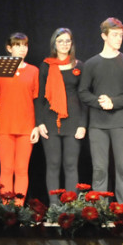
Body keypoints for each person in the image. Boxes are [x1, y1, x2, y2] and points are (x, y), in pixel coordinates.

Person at [80, 18, 123, 207]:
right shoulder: (91, 63)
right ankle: (99, 211)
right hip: (98, 125)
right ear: (104, 36)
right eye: (114, 35)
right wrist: (99, 102)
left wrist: (114, 102)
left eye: (121, 35)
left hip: (121, 123)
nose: (119, 39)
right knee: (100, 170)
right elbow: (83, 92)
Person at [36, 28, 87, 205]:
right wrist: (39, 122)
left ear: (71, 44)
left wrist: (83, 124)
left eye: (67, 41)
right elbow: (40, 96)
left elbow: (84, 97)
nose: (64, 44)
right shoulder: (46, 65)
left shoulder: (79, 66)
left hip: (74, 121)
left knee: (71, 165)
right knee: (53, 164)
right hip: (50, 120)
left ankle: (71, 206)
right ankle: (54, 207)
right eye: (60, 41)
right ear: (54, 44)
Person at [0, 32, 39, 200]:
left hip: (26, 127)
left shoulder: (33, 71)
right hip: (4, 125)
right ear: (9, 48)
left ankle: (18, 209)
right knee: (6, 168)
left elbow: (37, 101)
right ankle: (7, 210)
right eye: (18, 45)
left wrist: (36, 126)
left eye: (25, 45)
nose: (22, 49)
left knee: (21, 169)